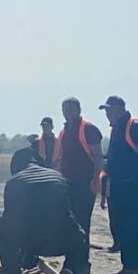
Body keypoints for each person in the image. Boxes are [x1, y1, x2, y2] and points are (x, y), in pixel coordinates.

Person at [0, 148, 90, 274]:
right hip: (62, 243)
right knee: (77, 223)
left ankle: (11, 270)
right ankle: (70, 268)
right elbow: (70, 215)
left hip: (28, 243)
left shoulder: (15, 182)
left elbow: (10, 221)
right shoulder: (58, 178)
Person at [99, 96, 138, 274]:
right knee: (124, 227)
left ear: (119, 109)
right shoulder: (116, 129)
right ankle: (129, 267)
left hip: (134, 186)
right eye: (106, 111)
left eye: (109, 110)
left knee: (137, 226)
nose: (107, 114)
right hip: (119, 186)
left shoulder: (135, 127)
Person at [52, 97, 103, 259]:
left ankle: (81, 261)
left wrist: (96, 179)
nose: (68, 113)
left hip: (85, 183)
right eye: (65, 110)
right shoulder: (64, 131)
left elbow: (98, 157)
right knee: (70, 221)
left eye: (71, 109)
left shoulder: (88, 129)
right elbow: (60, 158)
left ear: (79, 110)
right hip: (68, 183)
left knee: (82, 220)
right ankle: (72, 257)